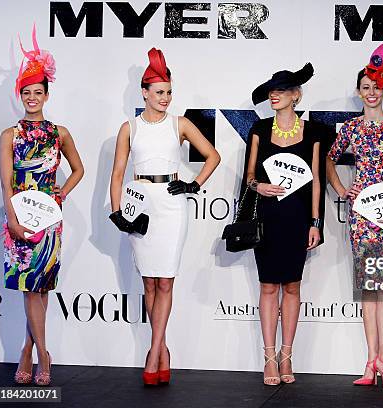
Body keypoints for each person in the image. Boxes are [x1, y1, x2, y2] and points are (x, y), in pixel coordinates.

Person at [109, 48, 220, 386]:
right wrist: (118, 214)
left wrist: (192, 184)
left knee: (166, 280)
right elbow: (117, 174)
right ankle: (163, 349)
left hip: (171, 205)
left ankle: (153, 352)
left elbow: (212, 156)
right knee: (148, 281)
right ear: (144, 92)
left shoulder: (180, 123)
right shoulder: (129, 128)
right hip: (139, 203)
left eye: (169, 92)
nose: (166, 98)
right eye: (159, 92)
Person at [0, 25, 84, 386]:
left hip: (49, 220)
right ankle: (39, 353)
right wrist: (13, 219)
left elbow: (79, 170)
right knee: (29, 287)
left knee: (40, 287)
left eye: (38, 92)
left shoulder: (59, 133)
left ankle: (32, 351)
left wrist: (60, 194)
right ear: (21, 96)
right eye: (27, 93)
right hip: (19, 219)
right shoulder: (10, 135)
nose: (32, 98)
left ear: (46, 95)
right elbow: (6, 182)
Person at [327, 44, 383, 389]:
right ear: (359, 91)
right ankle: (369, 362)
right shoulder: (350, 128)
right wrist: (342, 189)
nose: (371, 92)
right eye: (366, 87)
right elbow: (328, 160)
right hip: (361, 215)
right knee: (368, 289)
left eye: (376, 87)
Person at [243, 62, 326, 385]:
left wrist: (315, 222)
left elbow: (317, 180)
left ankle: (287, 356)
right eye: (271, 92)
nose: (274, 96)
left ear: (296, 95)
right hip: (267, 215)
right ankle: (268, 358)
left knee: (292, 286)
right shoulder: (260, 130)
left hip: (297, 217)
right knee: (267, 286)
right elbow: (249, 176)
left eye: (280, 91)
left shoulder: (314, 131)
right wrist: (258, 186)